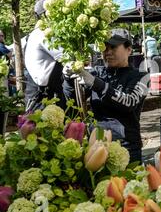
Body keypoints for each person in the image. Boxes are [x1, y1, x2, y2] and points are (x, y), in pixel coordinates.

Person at [63, 30, 149, 164]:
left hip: (126, 148)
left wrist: (96, 84)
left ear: (129, 50)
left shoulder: (141, 77)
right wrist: (68, 80)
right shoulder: (97, 73)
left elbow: (129, 102)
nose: (108, 52)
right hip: (96, 145)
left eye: (113, 47)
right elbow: (72, 102)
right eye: (104, 48)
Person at [24, 0, 66, 111]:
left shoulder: (35, 33)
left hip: (37, 88)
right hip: (42, 93)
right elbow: (64, 56)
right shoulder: (44, 33)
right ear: (45, 15)